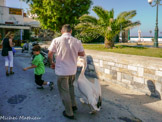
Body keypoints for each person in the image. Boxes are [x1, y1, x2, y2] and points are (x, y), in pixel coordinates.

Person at [48, 24, 85, 119]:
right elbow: (82, 53)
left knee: (64, 91)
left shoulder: (56, 40)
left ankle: (69, 112)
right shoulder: (77, 41)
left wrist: (51, 63)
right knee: (71, 88)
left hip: (62, 71)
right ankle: (73, 105)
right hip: (72, 70)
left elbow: (50, 53)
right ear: (71, 31)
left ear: (62, 31)